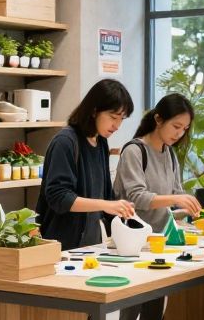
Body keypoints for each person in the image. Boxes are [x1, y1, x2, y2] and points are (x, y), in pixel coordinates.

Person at [113, 93, 204, 320]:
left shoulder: (169, 153)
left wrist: (193, 210)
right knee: (129, 317)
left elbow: (173, 197)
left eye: (184, 129)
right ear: (158, 119)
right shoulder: (134, 151)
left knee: (153, 317)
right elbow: (136, 198)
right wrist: (176, 199)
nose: (179, 134)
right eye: (176, 126)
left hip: (160, 245)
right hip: (134, 245)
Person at [37, 79, 135, 251]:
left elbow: (105, 193)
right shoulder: (65, 142)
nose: (117, 125)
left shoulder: (101, 142)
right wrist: (106, 205)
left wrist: (119, 209)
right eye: (113, 117)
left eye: (122, 119)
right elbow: (59, 197)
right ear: (94, 110)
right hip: (62, 247)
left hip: (91, 246)